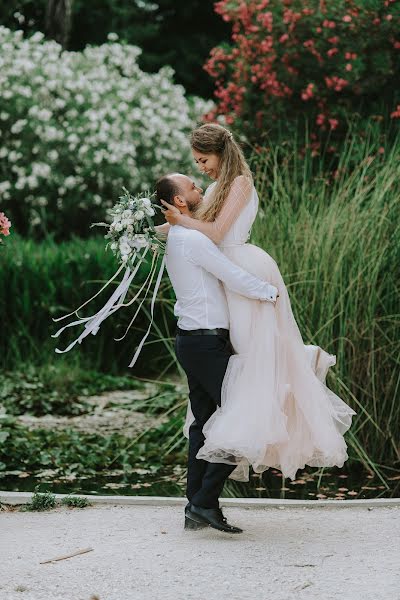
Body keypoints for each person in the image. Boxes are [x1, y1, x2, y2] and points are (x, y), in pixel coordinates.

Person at [158, 123, 357, 485]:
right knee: (236, 363)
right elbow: (191, 228)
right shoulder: (216, 188)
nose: (201, 168)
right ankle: (206, 490)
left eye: (203, 160)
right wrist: (142, 228)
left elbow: (216, 233)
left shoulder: (239, 183)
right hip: (226, 274)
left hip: (244, 268)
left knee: (252, 360)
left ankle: (291, 377)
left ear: (220, 153)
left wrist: (181, 219)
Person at [155, 172, 278, 533]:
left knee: (203, 424)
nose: (199, 189)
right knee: (243, 413)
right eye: (191, 186)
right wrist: (268, 292)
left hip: (192, 341)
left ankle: (195, 506)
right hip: (205, 342)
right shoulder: (191, 239)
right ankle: (205, 501)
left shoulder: (179, 236)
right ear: (180, 202)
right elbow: (229, 273)